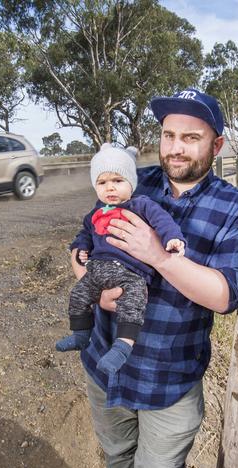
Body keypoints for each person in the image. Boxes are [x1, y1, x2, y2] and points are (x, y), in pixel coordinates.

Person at [69, 89, 238, 468]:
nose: (176, 148)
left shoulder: (235, 206)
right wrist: (92, 287)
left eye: (191, 138)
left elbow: (224, 295)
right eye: (169, 136)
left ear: (216, 145)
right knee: (117, 461)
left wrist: (159, 255)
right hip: (105, 365)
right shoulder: (135, 183)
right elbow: (83, 241)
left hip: (168, 378)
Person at [55, 143, 186, 376]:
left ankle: (123, 347)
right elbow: (84, 233)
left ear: (131, 183)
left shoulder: (140, 204)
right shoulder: (96, 211)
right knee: (78, 294)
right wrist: (80, 248)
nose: (110, 188)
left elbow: (162, 221)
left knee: (133, 303)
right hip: (97, 271)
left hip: (131, 273)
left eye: (117, 180)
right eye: (102, 183)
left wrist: (173, 238)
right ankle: (80, 335)